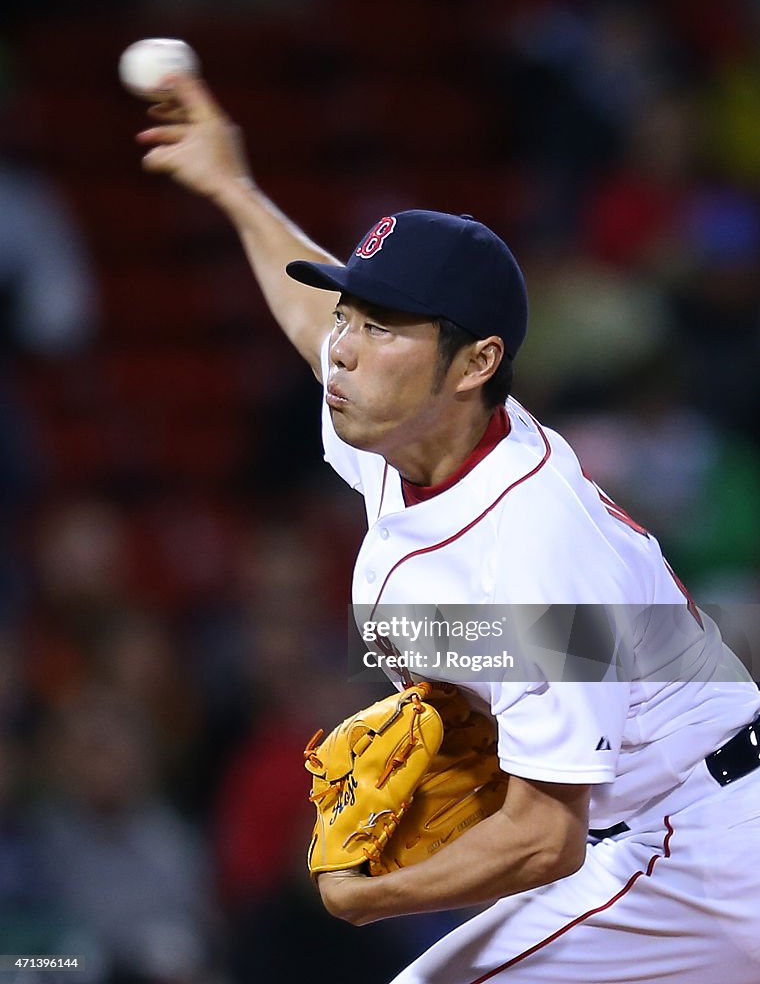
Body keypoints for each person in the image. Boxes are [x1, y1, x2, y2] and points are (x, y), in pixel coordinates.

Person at [135, 74, 760, 984]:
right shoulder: (410, 427)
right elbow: (316, 319)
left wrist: (359, 895)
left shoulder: (534, 552)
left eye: (382, 326)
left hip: (694, 854)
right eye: (352, 314)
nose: (344, 347)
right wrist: (235, 187)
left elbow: (545, 837)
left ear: (477, 363)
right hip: (656, 833)